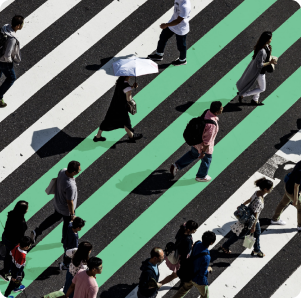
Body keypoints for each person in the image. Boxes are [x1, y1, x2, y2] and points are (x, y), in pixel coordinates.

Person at [220, 178, 274, 258]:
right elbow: (256, 214)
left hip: (251, 218)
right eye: (271, 188)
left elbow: (249, 200)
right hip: (250, 221)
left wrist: (242, 205)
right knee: (239, 235)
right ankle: (225, 245)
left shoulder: (257, 193)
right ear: (265, 189)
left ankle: (257, 249)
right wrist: (253, 226)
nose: (272, 189)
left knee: (257, 234)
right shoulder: (259, 201)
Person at [170, 101, 223, 182]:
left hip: (196, 141)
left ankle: (177, 165)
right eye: (221, 108)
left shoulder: (207, 112)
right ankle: (201, 176)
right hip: (203, 146)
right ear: (216, 112)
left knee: (192, 154)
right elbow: (207, 142)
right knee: (207, 159)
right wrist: (203, 153)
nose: (222, 109)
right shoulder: (212, 125)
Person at [31, 161, 81, 244]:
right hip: (66, 210)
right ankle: (65, 240)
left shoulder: (62, 171)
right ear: (73, 172)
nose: (80, 171)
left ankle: (37, 231)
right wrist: (72, 214)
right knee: (67, 224)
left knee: (54, 218)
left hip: (58, 203)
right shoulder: (70, 186)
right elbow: (70, 202)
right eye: (79, 170)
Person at [93, 76, 143, 143]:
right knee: (126, 122)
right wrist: (130, 93)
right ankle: (131, 136)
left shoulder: (120, 82)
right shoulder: (126, 86)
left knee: (108, 119)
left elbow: (124, 89)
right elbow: (128, 99)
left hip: (115, 104)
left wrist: (132, 87)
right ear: (127, 76)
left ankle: (98, 136)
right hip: (122, 107)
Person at [236, 31, 277, 105]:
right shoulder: (262, 51)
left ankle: (255, 100)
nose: (271, 39)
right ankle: (243, 94)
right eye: (271, 38)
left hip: (262, 71)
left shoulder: (265, 46)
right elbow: (260, 65)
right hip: (259, 72)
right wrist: (270, 62)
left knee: (259, 86)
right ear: (267, 39)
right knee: (262, 88)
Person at [172, 231, 216, 298]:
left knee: (183, 290)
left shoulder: (197, 243)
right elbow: (202, 273)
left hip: (189, 274)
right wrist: (208, 269)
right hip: (199, 280)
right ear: (211, 243)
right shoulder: (206, 257)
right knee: (205, 296)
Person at [148, 0, 191, 66]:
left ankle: (182, 60)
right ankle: (159, 55)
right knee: (163, 38)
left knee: (181, 46)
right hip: (172, 24)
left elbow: (178, 21)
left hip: (180, 29)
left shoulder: (185, 6)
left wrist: (166, 25)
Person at [160, 220, 198, 286]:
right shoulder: (188, 240)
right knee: (174, 275)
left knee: (179, 274)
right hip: (181, 259)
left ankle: (182, 283)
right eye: (194, 229)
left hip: (177, 251)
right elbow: (185, 253)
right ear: (189, 229)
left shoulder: (182, 230)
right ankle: (159, 284)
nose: (195, 230)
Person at [0, 201, 28, 282]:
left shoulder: (11, 214)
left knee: (8, 253)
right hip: (13, 242)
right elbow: (21, 236)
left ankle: (6, 270)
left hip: (6, 236)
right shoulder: (21, 222)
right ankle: (5, 271)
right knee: (10, 256)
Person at [0, 15, 24, 108]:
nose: (22, 25)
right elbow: (7, 55)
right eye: (22, 24)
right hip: (3, 61)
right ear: (18, 25)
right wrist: (9, 62)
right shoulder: (12, 39)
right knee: (11, 78)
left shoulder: (5, 27)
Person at [271, 161, 301, 231]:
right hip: (292, 191)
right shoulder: (300, 173)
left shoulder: (300, 163)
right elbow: (296, 186)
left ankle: (275, 219)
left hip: (288, 185)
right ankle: (300, 226)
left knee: (283, 203)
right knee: (300, 209)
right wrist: (296, 200)